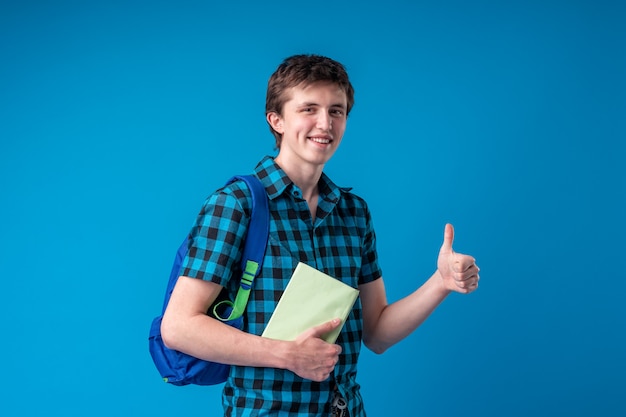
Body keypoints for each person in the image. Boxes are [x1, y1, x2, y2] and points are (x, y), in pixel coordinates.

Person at [161, 54, 480, 417]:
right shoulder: (236, 205)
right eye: (309, 109)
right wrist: (287, 354)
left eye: (337, 110)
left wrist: (440, 283)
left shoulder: (354, 213)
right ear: (276, 120)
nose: (324, 123)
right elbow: (179, 327)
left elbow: (376, 333)